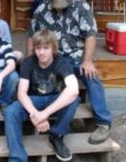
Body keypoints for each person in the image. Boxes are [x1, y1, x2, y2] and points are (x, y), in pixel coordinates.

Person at [27, 0, 112, 144]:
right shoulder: (42, 9)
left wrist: (87, 61)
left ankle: (103, 123)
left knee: (92, 77)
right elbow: (31, 36)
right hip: (51, 61)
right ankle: (31, 116)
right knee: (30, 79)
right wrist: (30, 60)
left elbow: (90, 35)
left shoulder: (82, 7)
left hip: (76, 59)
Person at [5, 29, 79, 162]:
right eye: (38, 48)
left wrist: (44, 114)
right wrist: (35, 114)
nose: (42, 52)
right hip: (33, 100)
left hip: (54, 99)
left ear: (53, 48)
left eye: (46, 48)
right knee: (11, 111)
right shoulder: (28, 62)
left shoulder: (61, 62)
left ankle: (56, 135)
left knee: (73, 99)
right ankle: (17, 157)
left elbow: (73, 89)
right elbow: (21, 93)